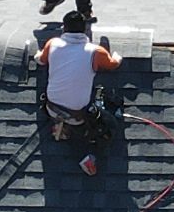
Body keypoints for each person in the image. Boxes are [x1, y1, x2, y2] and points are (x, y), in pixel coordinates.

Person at [39, 12, 123, 174]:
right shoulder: (95, 51)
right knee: (110, 122)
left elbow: (41, 59)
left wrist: (39, 54)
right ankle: (87, 153)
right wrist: (117, 57)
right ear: (85, 29)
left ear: (64, 28)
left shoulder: (52, 43)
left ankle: (60, 127)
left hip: (51, 108)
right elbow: (112, 64)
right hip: (77, 116)